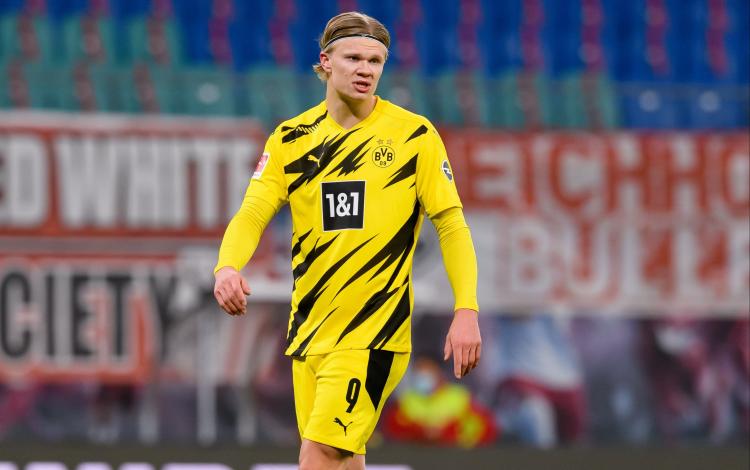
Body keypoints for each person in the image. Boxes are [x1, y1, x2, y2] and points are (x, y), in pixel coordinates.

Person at [213, 11, 481, 470]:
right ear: (325, 61)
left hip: (373, 333)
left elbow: (451, 224)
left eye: (375, 61)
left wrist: (466, 309)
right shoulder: (291, 139)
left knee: (316, 458)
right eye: (353, 58)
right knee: (344, 461)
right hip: (309, 333)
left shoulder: (414, 136)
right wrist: (227, 266)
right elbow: (253, 211)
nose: (365, 70)